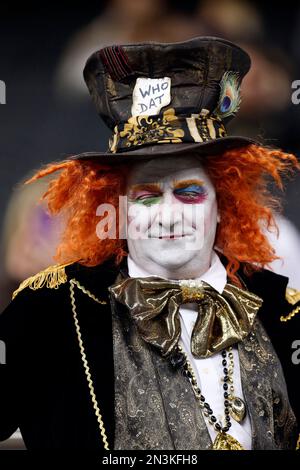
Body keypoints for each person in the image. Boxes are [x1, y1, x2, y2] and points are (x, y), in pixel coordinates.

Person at [0, 36, 299, 451]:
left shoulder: (286, 311)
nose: (168, 213)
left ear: (221, 206)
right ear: (118, 208)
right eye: (146, 196)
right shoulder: (49, 313)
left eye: (190, 192)